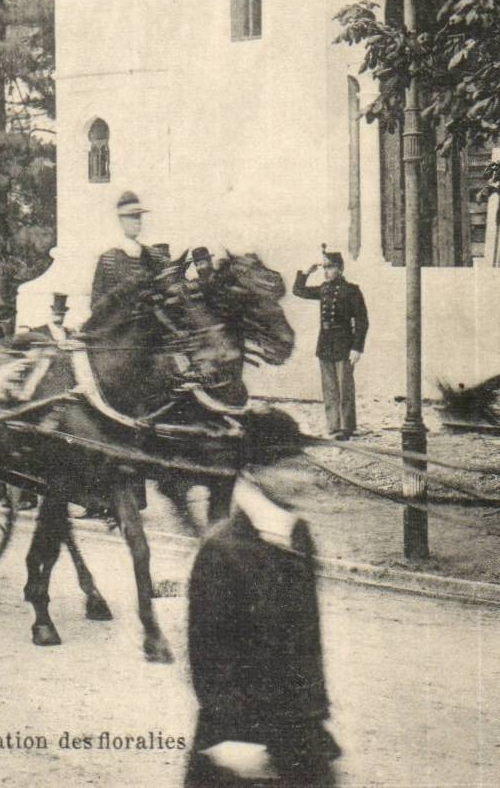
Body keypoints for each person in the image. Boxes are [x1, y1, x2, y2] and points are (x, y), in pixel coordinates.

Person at [185, 470, 341, 786]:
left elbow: (307, 643)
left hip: (299, 730)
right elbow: (207, 652)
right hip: (239, 741)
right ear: (256, 472)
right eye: (287, 462)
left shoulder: (297, 535)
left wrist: (316, 716)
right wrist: (233, 737)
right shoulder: (223, 549)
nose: (302, 472)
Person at [293, 251, 368, 440]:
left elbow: (361, 320)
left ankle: (347, 427)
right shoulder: (324, 289)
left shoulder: (351, 290)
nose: (326, 271)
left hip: (344, 343)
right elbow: (298, 291)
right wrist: (306, 273)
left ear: (340, 269)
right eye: (325, 267)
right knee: (329, 389)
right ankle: (334, 426)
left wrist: (357, 347)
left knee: (345, 388)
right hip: (325, 344)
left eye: (331, 267)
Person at [90, 190, 163, 315]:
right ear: (121, 220)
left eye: (139, 217)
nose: (137, 222)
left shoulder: (153, 256)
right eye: (132, 217)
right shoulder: (108, 260)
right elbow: (96, 304)